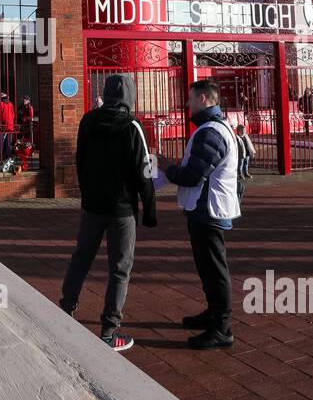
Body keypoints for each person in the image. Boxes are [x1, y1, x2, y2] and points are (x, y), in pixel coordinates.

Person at [59, 74, 157, 352]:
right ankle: (109, 330)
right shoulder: (133, 125)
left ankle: (65, 309)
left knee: (81, 258)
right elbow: (145, 171)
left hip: (92, 205)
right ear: (129, 95)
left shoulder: (88, 121)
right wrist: (149, 210)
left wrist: (86, 193)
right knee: (119, 268)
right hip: (122, 209)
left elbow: (80, 159)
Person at [158, 79, 241, 350]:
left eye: (191, 98)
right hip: (203, 210)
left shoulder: (212, 132)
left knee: (215, 269)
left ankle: (221, 327)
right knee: (207, 267)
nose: (187, 103)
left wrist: (167, 168)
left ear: (203, 99)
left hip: (209, 211)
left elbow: (194, 175)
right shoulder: (210, 129)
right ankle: (213, 313)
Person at [0, 92, 16, 161]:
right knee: (8, 142)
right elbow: (13, 115)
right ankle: (8, 155)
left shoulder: (1, 103)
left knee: (0, 141)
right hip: (10, 125)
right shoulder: (10, 104)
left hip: (2, 125)